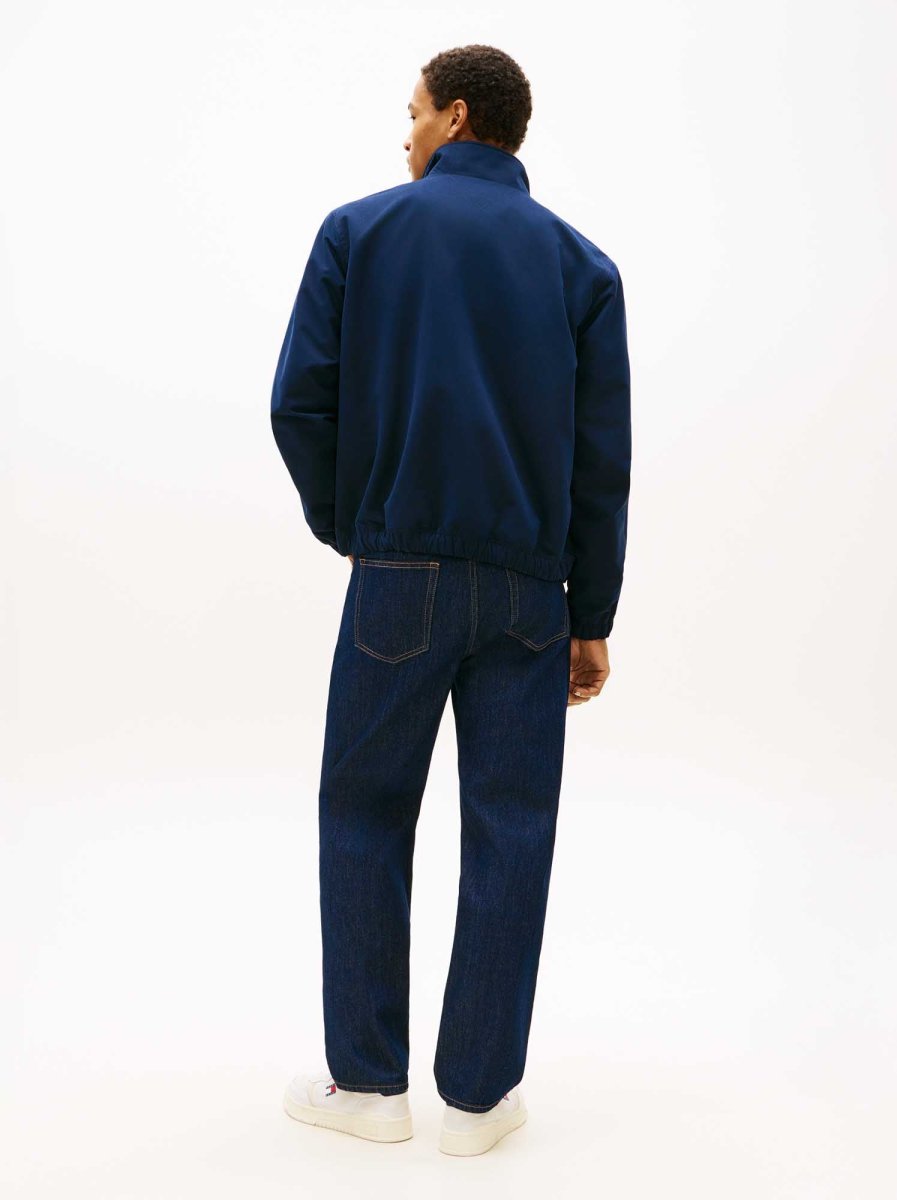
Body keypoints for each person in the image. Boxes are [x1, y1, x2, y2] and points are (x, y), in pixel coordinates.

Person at [271, 43, 631, 1156]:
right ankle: (477, 1102)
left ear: (459, 116)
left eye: (416, 112)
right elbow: (601, 463)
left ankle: (369, 1087)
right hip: (529, 594)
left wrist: (362, 531)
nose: (407, 132)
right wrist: (591, 616)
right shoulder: (582, 267)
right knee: (512, 830)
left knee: (364, 814)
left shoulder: (359, 232)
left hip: (399, 578)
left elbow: (299, 405)